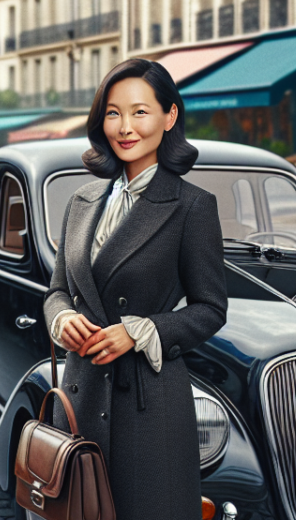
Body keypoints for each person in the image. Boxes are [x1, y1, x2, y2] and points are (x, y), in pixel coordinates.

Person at [43, 58, 227, 520]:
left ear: (169, 118)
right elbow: (57, 291)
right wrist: (62, 319)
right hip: (80, 397)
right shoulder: (81, 202)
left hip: (149, 409)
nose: (125, 127)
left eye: (140, 112)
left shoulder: (192, 207)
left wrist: (141, 331)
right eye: (113, 112)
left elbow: (210, 308)